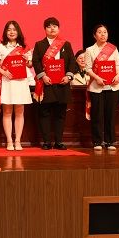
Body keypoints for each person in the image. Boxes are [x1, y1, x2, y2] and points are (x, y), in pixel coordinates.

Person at [32, 17, 76, 150]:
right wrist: (43, 76)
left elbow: (72, 62)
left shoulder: (66, 44)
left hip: (62, 84)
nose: (52, 29)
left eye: (55, 26)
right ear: (45, 29)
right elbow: (36, 62)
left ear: (58, 28)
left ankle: (59, 141)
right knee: (44, 113)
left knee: (60, 114)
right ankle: (46, 142)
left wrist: (68, 76)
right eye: (49, 26)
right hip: (46, 84)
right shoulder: (39, 45)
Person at [0, 20, 33, 151]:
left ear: (18, 32)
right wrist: (3, 72)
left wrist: (27, 61)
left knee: (20, 111)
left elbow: (30, 65)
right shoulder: (0, 46)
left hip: (21, 82)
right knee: (7, 111)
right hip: (7, 81)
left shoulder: (24, 47)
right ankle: (9, 141)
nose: (11, 32)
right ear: (5, 32)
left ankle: (18, 141)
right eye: (9, 30)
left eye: (14, 29)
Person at [84, 24, 119, 151]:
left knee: (110, 115)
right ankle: (97, 141)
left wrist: (118, 76)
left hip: (112, 86)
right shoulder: (90, 50)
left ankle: (110, 141)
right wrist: (97, 78)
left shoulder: (113, 49)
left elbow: (118, 65)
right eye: (99, 32)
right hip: (96, 86)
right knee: (97, 114)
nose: (103, 34)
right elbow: (88, 68)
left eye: (105, 32)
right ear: (94, 35)